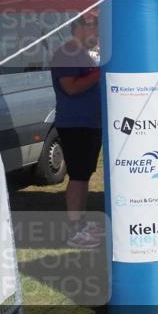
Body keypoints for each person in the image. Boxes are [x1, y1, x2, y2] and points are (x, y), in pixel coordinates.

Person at [50, 14, 103, 249]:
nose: (98, 30)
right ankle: (74, 230)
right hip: (75, 124)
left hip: (89, 123)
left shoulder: (82, 54)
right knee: (78, 177)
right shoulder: (66, 53)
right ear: (78, 27)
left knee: (84, 176)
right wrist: (101, 72)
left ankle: (81, 224)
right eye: (94, 25)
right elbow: (70, 88)